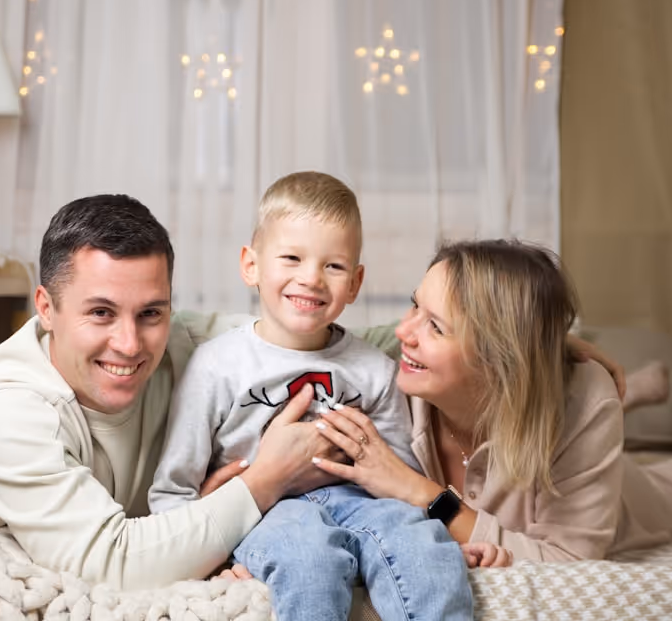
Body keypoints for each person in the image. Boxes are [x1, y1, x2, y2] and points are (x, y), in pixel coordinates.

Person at [310, 239, 672, 566]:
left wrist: (421, 492)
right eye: (413, 307)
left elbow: (569, 557)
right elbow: (288, 347)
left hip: (620, 487)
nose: (405, 333)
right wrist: (561, 344)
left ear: (502, 360)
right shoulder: (389, 374)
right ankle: (645, 389)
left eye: (435, 326)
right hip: (525, 398)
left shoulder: (585, 404)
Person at [0, 194, 336, 591]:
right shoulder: (5, 408)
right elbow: (113, 564)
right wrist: (268, 478)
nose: (130, 344)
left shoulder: (192, 348)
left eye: (150, 313)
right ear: (46, 308)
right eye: (101, 313)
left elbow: (307, 344)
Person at [149, 172, 474, 621]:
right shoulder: (215, 365)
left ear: (355, 283)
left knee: (423, 547)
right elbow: (173, 488)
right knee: (309, 557)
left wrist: (435, 538)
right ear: (251, 265)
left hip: (363, 502)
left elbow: (398, 474)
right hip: (267, 512)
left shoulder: (375, 368)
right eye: (291, 258)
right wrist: (209, 558)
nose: (312, 278)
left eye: (333, 266)